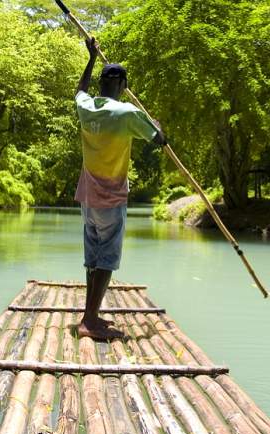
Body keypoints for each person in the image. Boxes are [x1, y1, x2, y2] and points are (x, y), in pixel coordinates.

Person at [75, 37, 166, 340]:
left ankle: (91, 316)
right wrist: (156, 124)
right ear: (124, 84)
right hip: (111, 199)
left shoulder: (86, 108)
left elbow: (80, 91)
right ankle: (89, 321)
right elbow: (160, 141)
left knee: (93, 258)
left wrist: (90, 58)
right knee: (107, 260)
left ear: (101, 83)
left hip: (87, 198)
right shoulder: (128, 113)